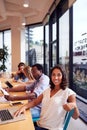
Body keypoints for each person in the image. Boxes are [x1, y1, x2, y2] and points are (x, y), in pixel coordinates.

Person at [14, 65, 79, 130]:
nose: (56, 77)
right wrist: (23, 107)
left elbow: (76, 116)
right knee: (17, 122)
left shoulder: (68, 92)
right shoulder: (48, 90)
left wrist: (74, 106)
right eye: (53, 75)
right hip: (39, 125)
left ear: (63, 76)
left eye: (59, 75)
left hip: (52, 128)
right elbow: (35, 102)